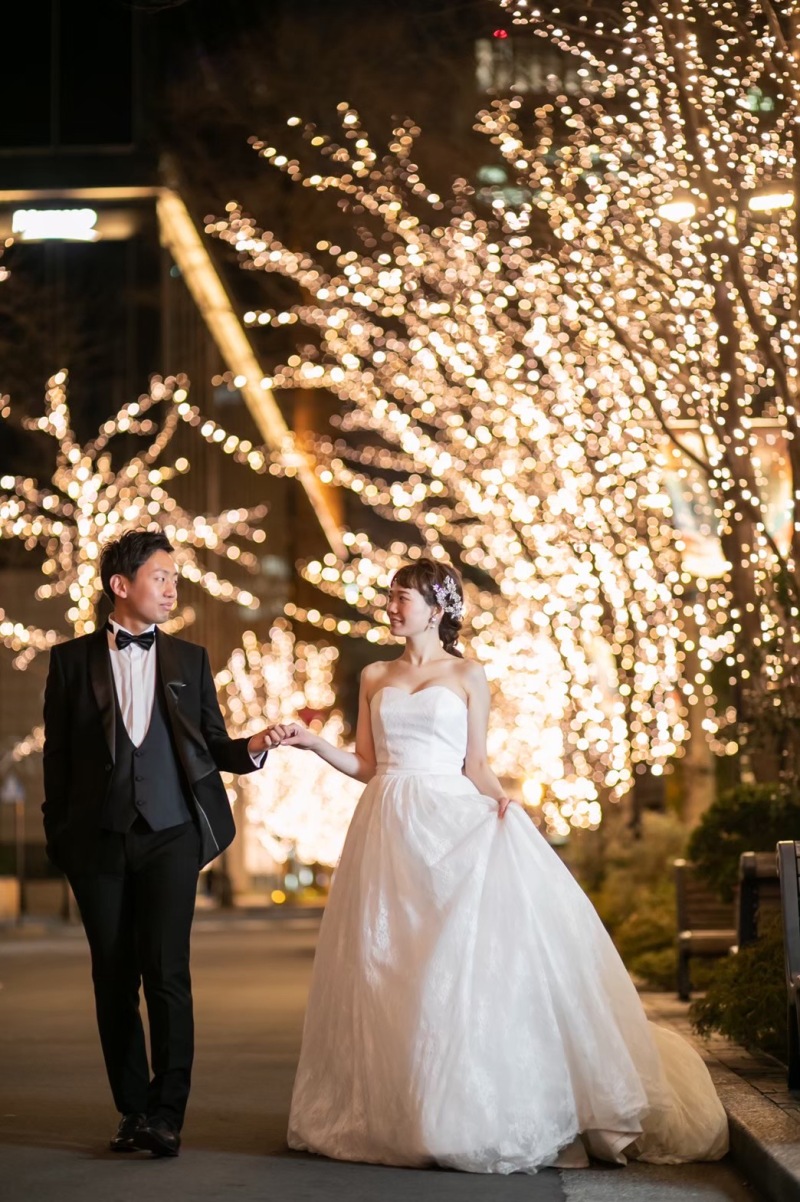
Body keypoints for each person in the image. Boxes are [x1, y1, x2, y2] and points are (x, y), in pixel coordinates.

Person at [272, 558, 728, 1173]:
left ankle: (459, 1108)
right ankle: (401, 1109)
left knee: (453, 964)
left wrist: (504, 803)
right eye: (390, 595)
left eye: (404, 596)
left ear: (437, 608)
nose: (392, 604)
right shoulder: (374, 674)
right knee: (388, 966)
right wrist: (312, 744)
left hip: (451, 823)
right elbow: (366, 764)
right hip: (387, 826)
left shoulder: (469, 674)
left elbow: (475, 766)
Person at [42, 529, 276, 1158]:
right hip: (98, 842)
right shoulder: (69, 661)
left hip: (171, 835)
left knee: (167, 973)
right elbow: (57, 762)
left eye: (174, 578)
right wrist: (60, 840)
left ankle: (167, 1115)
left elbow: (212, 743)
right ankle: (132, 1109)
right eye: (160, 577)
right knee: (112, 979)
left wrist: (250, 750)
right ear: (122, 586)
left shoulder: (190, 661)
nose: (172, 588)